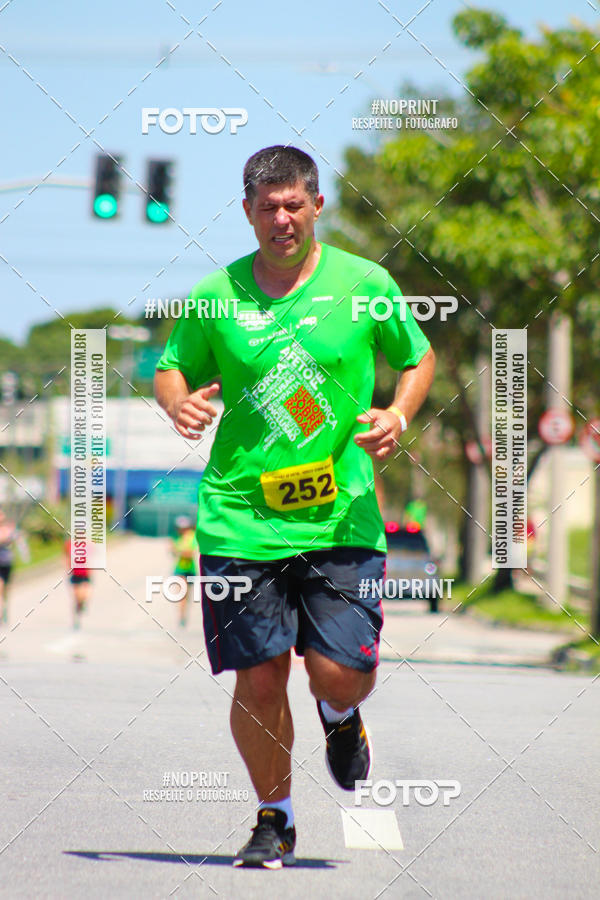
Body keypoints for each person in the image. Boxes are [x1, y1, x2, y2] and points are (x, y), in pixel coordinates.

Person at [154, 146, 435, 868]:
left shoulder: (364, 284)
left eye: (293, 204)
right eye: (266, 206)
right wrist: (177, 401)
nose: (281, 218)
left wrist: (398, 414)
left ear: (316, 207)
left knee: (335, 671)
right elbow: (172, 365)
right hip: (240, 516)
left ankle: (341, 715)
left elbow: (417, 356)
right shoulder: (216, 296)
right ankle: (273, 817)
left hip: (343, 514)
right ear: (247, 211)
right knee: (260, 672)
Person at [0, 509, 28, 624]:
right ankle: (1, 610)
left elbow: (20, 541)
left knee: (6, 588)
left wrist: (25, 555)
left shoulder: (10, 529)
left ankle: (5, 607)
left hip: (8, 562)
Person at [170, 515, 198, 627]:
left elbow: (190, 553)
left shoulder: (191, 537)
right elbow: (174, 553)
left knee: (187, 596)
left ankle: (183, 614)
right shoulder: (177, 538)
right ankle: (181, 616)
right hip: (180, 569)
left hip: (190, 569)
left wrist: (178, 551)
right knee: (182, 594)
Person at [64, 537, 92, 629]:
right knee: (77, 597)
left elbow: (90, 558)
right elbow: (66, 557)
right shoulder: (69, 544)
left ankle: (82, 604)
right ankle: (76, 618)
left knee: (85, 594)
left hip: (85, 573)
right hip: (75, 573)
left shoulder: (86, 544)